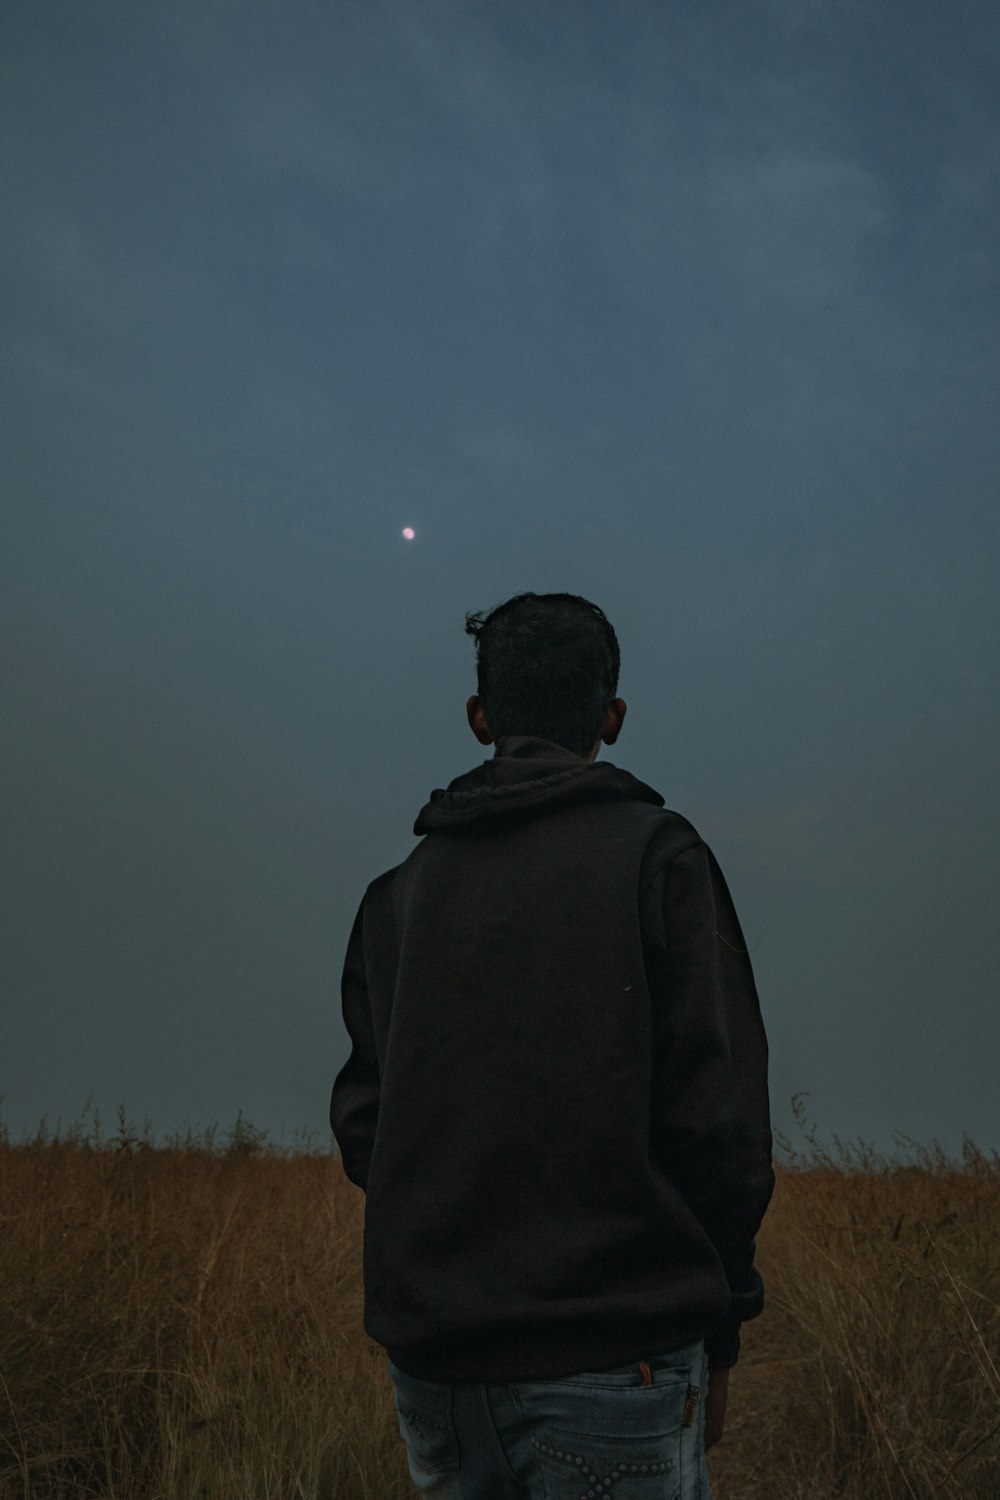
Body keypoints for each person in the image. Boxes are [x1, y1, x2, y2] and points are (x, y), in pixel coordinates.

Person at [331, 591, 774, 1499]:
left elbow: (366, 1126)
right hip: (618, 1364)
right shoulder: (661, 859)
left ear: (480, 717)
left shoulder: (395, 898)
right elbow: (720, 1126)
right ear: (611, 717)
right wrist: (721, 1331)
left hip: (436, 1372)